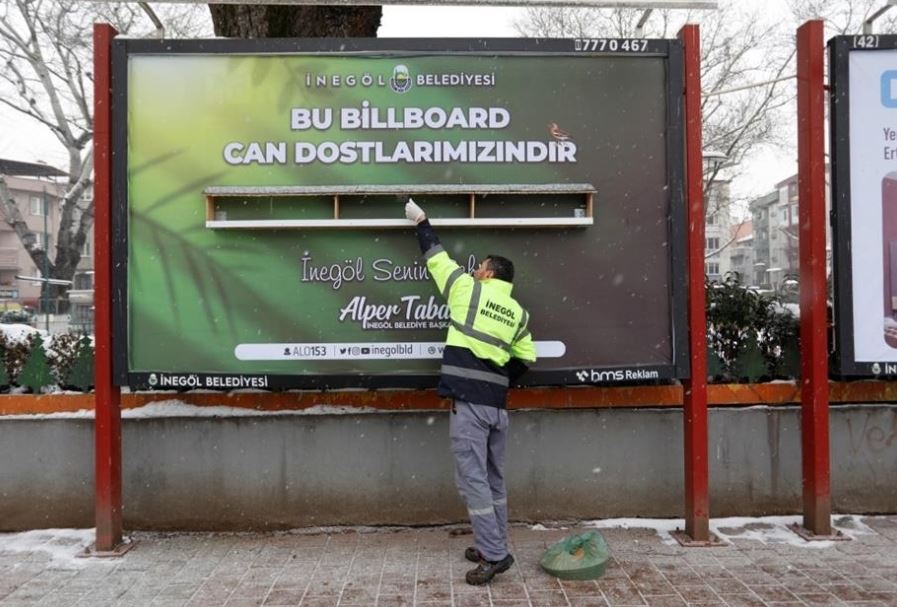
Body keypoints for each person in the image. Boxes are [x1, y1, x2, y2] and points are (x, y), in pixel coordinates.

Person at [405, 198, 537, 585]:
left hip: (471, 406)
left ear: (488, 274)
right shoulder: (518, 313)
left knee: (473, 480)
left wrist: (421, 221)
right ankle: (493, 542)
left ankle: (494, 555)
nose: (474, 269)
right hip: (498, 407)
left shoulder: (467, 290)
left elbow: (436, 258)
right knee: (493, 479)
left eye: (479, 266)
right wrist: (496, 380)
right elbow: (526, 357)